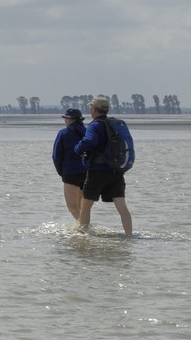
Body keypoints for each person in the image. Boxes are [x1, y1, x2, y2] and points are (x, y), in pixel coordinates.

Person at [76, 95, 134, 235]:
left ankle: (83, 234)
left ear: (94, 110)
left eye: (91, 107)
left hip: (98, 171)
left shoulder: (95, 125)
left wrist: (77, 148)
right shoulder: (115, 125)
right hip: (117, 170)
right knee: (121, 206)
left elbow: (89, 142)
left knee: (86, 205)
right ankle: (129, 235)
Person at [52, 107, 88, 220]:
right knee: (82, 206)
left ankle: (85, 228)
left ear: (69, 119)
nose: (65, 121)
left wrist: (61, 172)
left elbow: (56, 156)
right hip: (87, 172)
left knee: (72, 206)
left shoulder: (63, 133)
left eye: (65, 118)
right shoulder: (88, 132)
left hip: (71, 172)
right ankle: (83, 226)